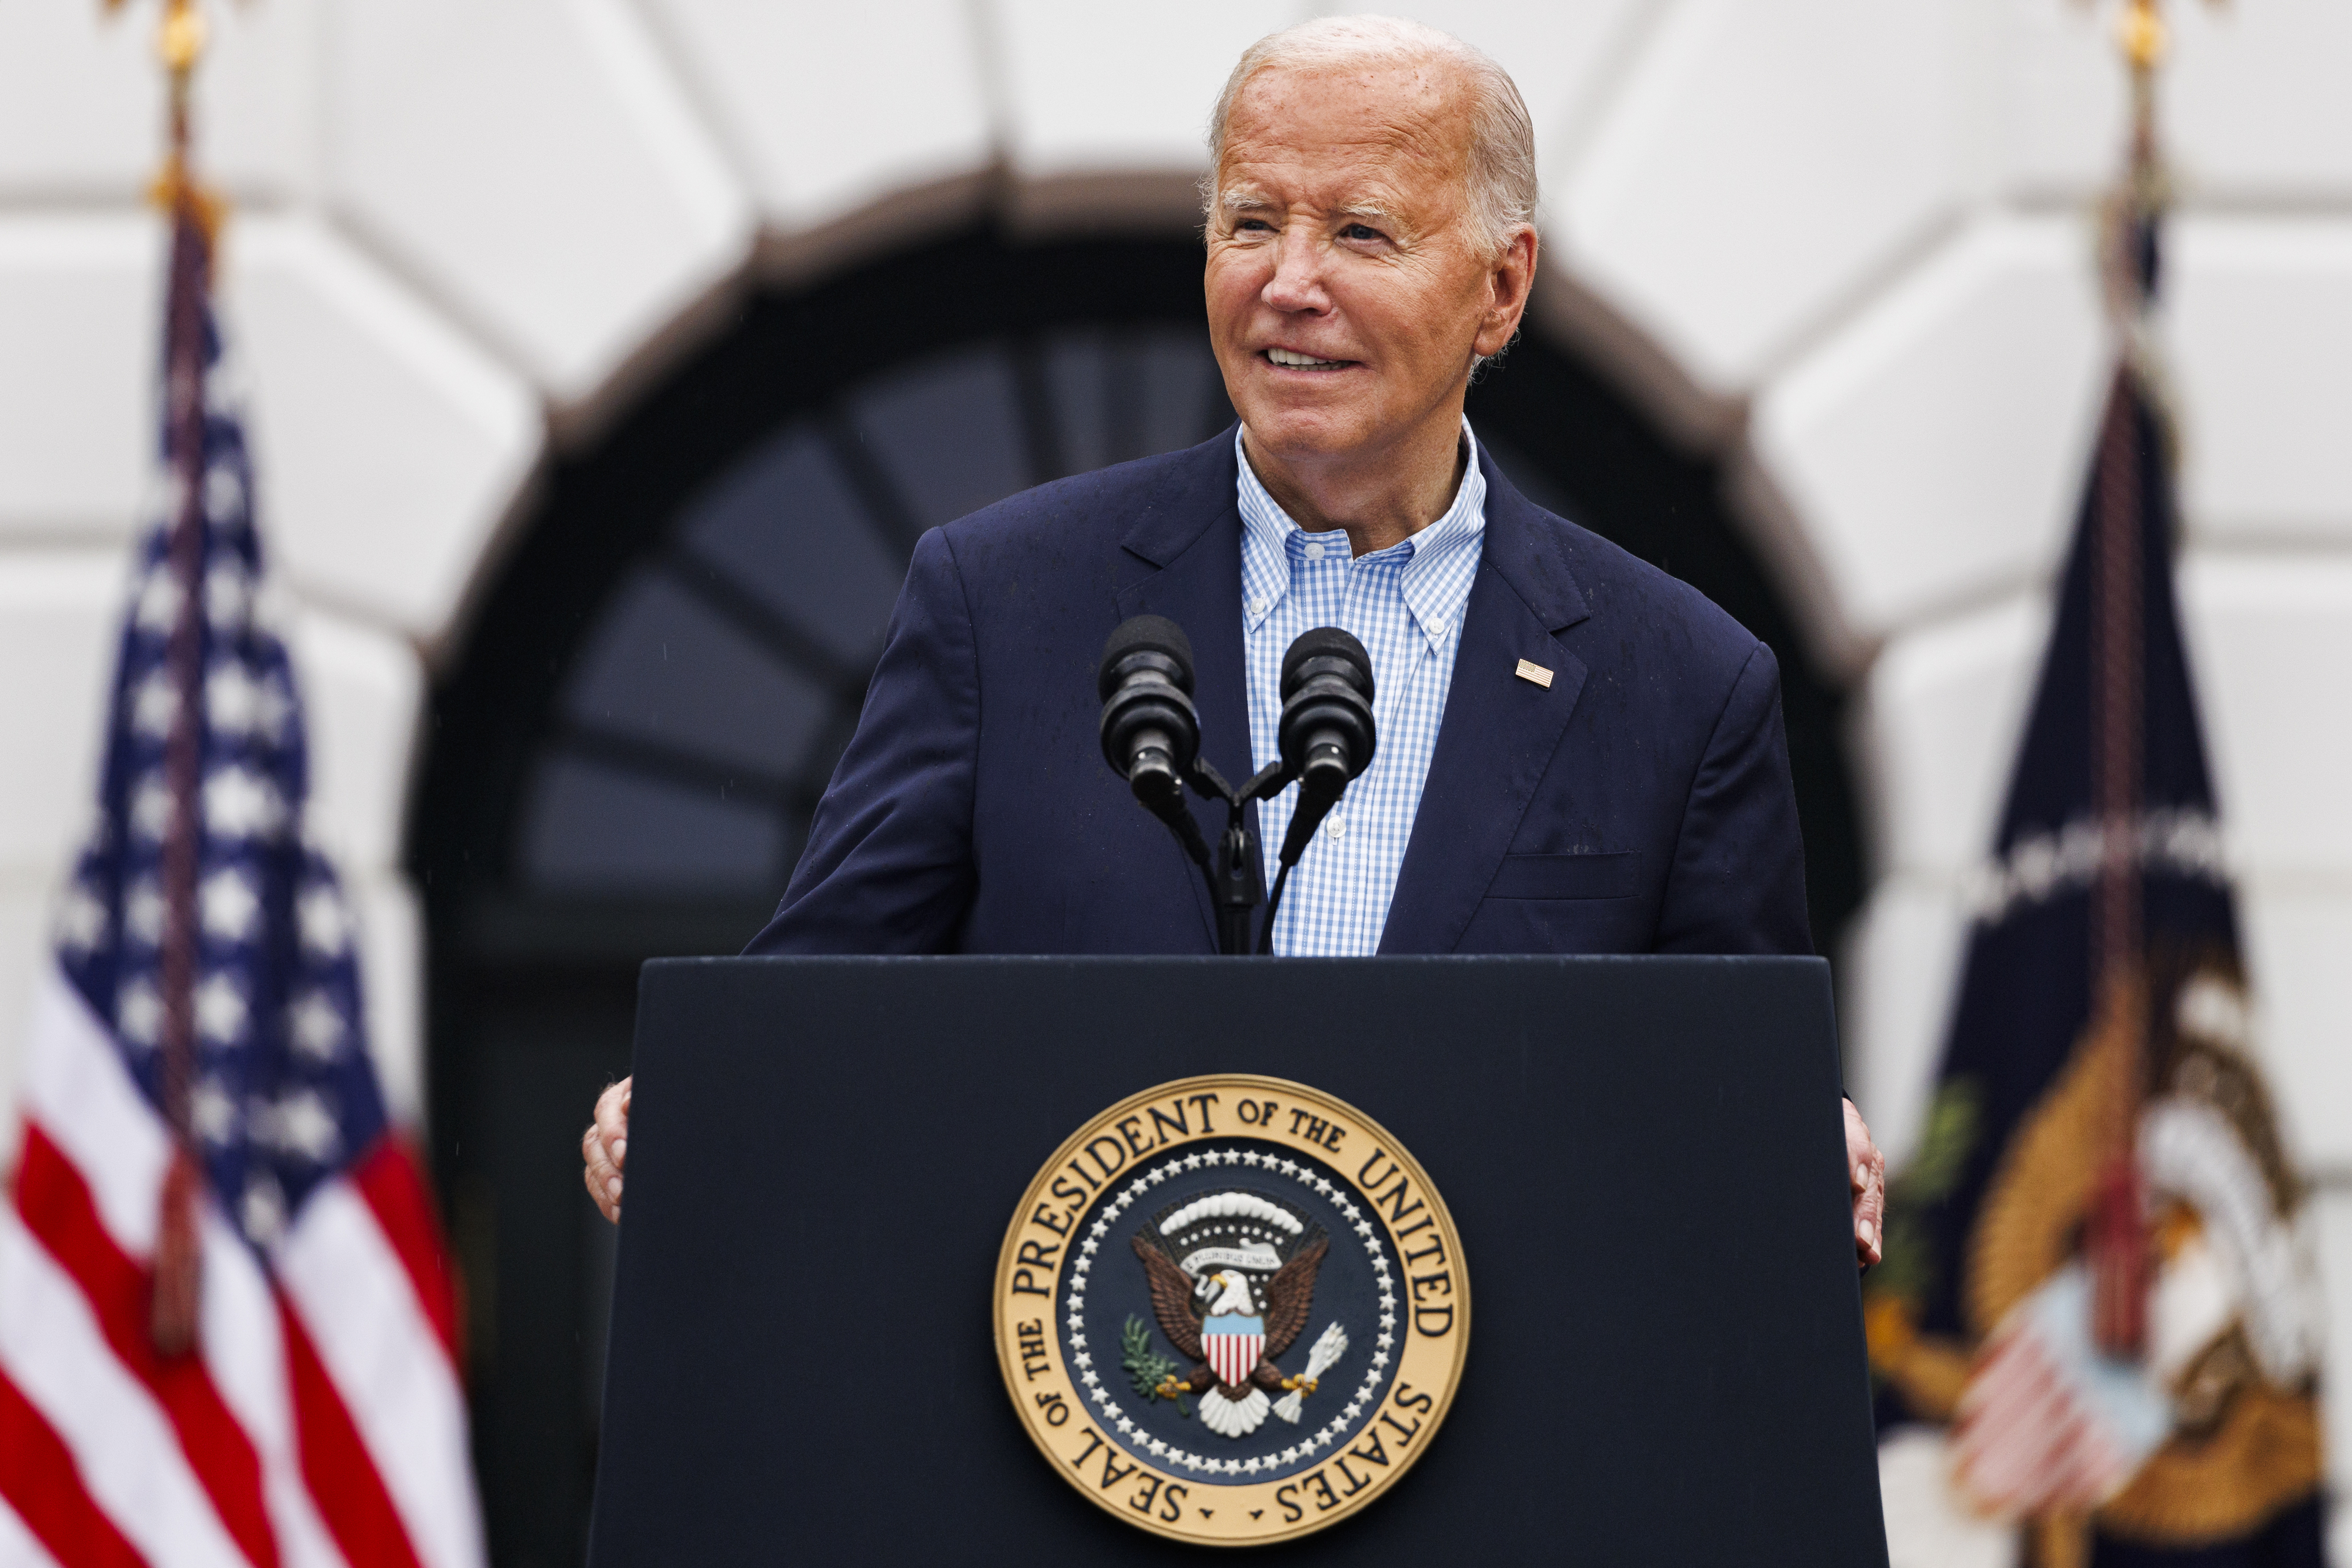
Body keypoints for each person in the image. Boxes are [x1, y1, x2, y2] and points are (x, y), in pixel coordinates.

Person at [582, 16, 1887, 1257]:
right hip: (1068, 1435)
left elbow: (1723, 1090)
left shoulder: (1679, 682)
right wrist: (707, 1094)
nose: (1288, 282)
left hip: (1494, 1458)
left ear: (1500, 287)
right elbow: (820, 1007)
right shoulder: (1003, 600)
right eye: (1249, 222)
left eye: (1360, 232)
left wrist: (1782, 1134)